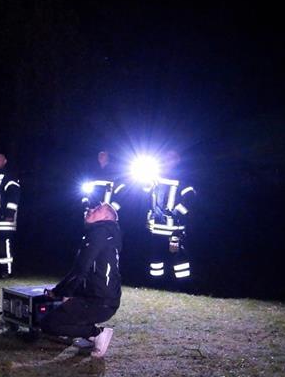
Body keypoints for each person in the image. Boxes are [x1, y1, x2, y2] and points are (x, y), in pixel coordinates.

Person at [41, 202, 122, 358]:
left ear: (106, 218)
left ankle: (96, 333)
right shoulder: (103, 233)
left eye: (97, 209)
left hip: (99, 301)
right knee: (62, 315)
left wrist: (61, 292)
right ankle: (89, 336)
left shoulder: (99, 233)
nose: (91, 210)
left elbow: (81, 268)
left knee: (49, 324)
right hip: (101, 299)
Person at [142, 150, 195, 285]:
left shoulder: (183, 177)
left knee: (178, 257)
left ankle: (183, 286)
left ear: (177, 160)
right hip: (156, 227)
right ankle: (155, 284)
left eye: (172, 158)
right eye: (166, 157)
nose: (168, 160)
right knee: (155, 257)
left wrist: (176, 212)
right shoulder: (155, 177)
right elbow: (144, 193)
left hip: (174, 228)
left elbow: (190, 199)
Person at [81, 148, 126, 214]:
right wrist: (86, 206)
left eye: (103, 154)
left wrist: (113, 208)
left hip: (109, 210)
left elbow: (122, 190)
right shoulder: (92, 172)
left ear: (108, 156)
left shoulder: (116, 171)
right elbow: (85, 192)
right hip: (94, 209)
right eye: (99, 154)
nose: (101, 156)